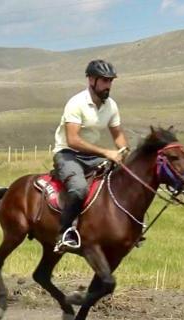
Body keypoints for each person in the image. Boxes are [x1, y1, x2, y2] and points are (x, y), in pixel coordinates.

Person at [52, 59, 129, 253]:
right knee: (79, 189)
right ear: (91, 80)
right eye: (104, 80)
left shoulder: (111, 105)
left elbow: (118, 134)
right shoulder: (76, 103)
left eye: (110, 81)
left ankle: (122, 226)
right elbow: (73, 140)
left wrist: (123, 152)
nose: (108, 85)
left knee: (124, 180)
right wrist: (106, 152)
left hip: (91, 155)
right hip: (68, 154)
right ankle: (65, 233)